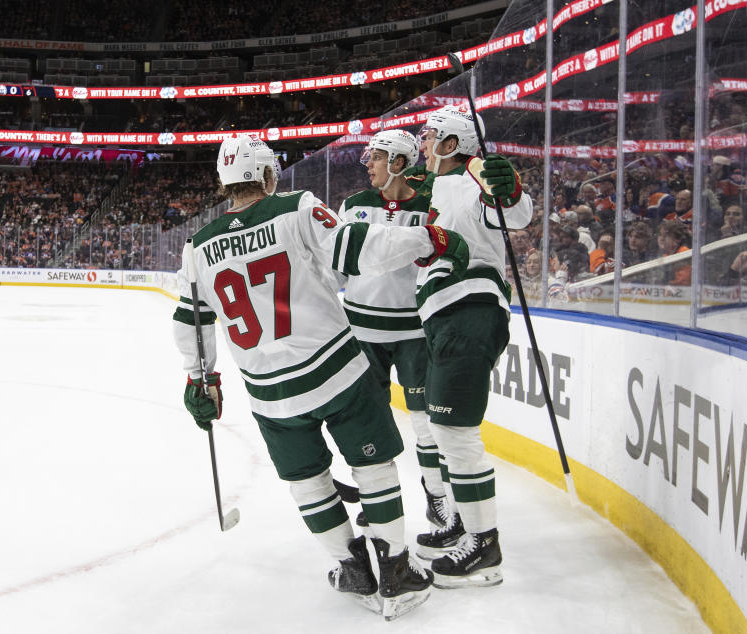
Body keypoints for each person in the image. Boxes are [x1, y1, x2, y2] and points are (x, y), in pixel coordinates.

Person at [173, 134, 467, 619]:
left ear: (223, 183)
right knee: (372, 468)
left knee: (307, 481)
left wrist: (199, 380)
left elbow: (192, 322)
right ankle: (395, 569)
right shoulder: (296, 208)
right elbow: (359, 248)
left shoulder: (196, 248)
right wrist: (426, 238)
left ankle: (349, 566)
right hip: (336, 370)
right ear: (267, 176)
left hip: (271, 395)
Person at [414, 104, 533, 588]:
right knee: (446, 433)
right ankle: (467, 524)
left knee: (455, 434)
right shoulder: (435, 187)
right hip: (445, 319)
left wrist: (510, 188)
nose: (421, 143)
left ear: (450, 143)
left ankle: (484, 547)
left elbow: (514, 213)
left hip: (470, 313)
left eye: (429, 136)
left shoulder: (472, 176)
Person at [337, 129, 449, 529]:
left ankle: (437, 494)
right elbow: (336, 264)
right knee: (373, 421)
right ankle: (378, 495)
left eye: (376, 158)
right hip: (363, 332)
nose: (367, 164)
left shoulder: (431, 206)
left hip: (414, 332)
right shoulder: (353, 204)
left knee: (425, 420)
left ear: (399, 163)